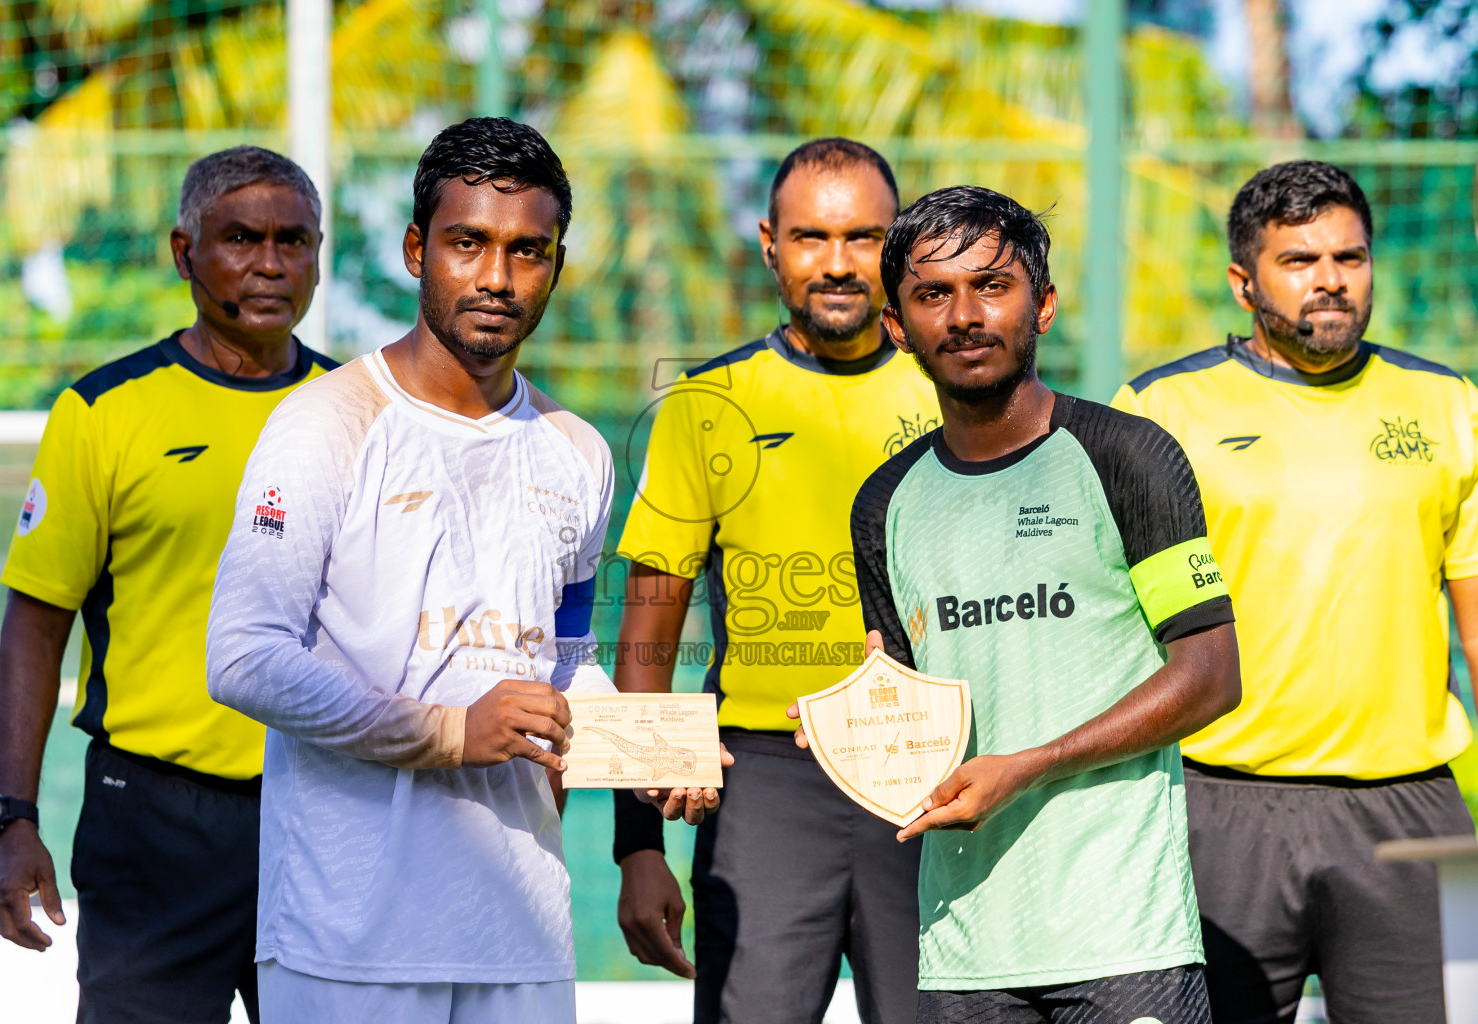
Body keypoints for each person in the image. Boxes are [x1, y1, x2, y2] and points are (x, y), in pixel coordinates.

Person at [205, 117, 703, 1024]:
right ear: (415, 249)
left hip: (522, 933)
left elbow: (560, 658)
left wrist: (652, 757)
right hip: (346, 939)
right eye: (467, 243)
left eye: (528, 251)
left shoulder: (579, 452)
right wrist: (447, 731)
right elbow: (242, 655)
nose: (497, 278)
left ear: (557, 263)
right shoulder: (325, 423)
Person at [840, 185, 1241, 1023]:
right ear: (895, 326)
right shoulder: (884, 502)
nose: (964, 315)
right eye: (932, 294)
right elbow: (911, 718)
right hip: (965, 947)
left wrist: (1030, 765)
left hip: (1125, 936)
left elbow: (1211, 675)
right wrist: (855, 736)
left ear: (1044, 304)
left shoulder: (1128, 456)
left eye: (992, 285)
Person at [1112, 160, 1478, 1024]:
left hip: (1407, 804)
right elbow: (1110, 624)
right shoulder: (1163, 409)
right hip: (1218, 802)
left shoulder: (1447, 404)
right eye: (1300, 262)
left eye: (1349, 259)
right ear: (1244, 282)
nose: (1331, 283)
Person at [0, 146, 335, 1022]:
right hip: (153, 818)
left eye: (294, 241)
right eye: (241, 239)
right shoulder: (106, 412)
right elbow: (36, 623)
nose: (269, 264)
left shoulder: (358, 409)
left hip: (330, 812)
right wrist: (14, 817)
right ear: (185, 253)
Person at [611, 138, 937, 1024]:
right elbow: (648, 630)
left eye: (864, 238)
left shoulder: (961, 394)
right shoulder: (705, 406)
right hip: (763, 786)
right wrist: (637, 843)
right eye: (810, 238)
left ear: (897, 243)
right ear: (769, 243)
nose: (836, 265)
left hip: (926, 782)